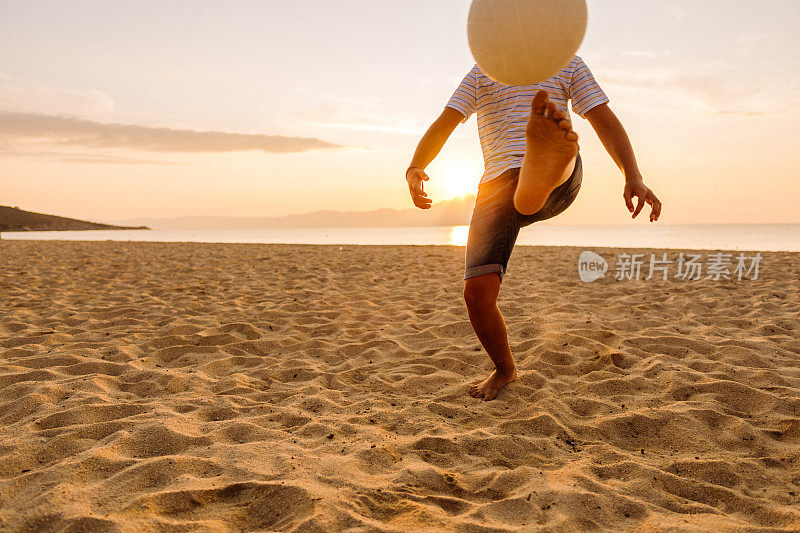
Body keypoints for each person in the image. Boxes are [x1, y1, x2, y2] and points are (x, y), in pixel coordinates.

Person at [406, 56, 662, 401]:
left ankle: (543, 168)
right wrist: (416, 164)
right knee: (477, 295)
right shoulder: (481, 72)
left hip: (561, 176)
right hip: (497, 185)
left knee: (538, 178)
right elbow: (446, 121)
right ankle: (505, 368)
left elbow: (603, 119)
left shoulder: (566, 60)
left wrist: (633, 174)